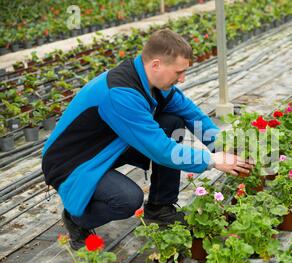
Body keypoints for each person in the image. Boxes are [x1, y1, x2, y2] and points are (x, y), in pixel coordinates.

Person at [42, 29, 253, 250]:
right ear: (156, 65)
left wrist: (225, 147)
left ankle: (160, 207)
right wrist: (212, 159)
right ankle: (77, 218)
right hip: (73, 162)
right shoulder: (120, 93)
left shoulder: (154, 83)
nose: (182, 79)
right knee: (127, 200)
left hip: (108, 147)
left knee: (173, 121)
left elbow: (193, 115)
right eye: (179, 72)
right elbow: (161, 150)